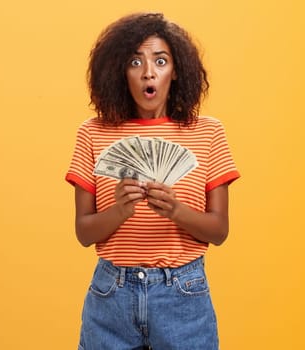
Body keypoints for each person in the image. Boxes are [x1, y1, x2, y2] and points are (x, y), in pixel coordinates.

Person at [65, 12, 240, 350]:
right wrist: (119, 210)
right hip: (110, 296)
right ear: (120, 72)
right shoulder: (92, 133)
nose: (149, 72)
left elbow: (219, 231)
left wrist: (176, 210)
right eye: (135, 61)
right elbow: (84, 233)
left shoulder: (208, 133)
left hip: (184, 295)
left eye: (160, 61)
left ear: (175, 72)